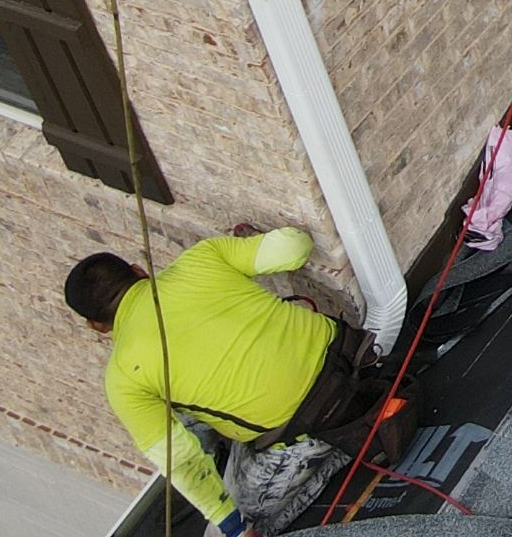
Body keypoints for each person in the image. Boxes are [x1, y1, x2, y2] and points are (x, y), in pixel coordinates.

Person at [66, 230, 383, 537]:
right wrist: (242, 246)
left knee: (220, 531)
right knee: (188, 414)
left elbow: (179, 459)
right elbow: (295, 246)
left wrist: (233, 528)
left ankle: (349, 449)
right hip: (354, 357)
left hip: (312, 428)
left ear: (96, 326)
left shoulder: (123, 378)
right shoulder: (201, 258)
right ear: (138, 271)